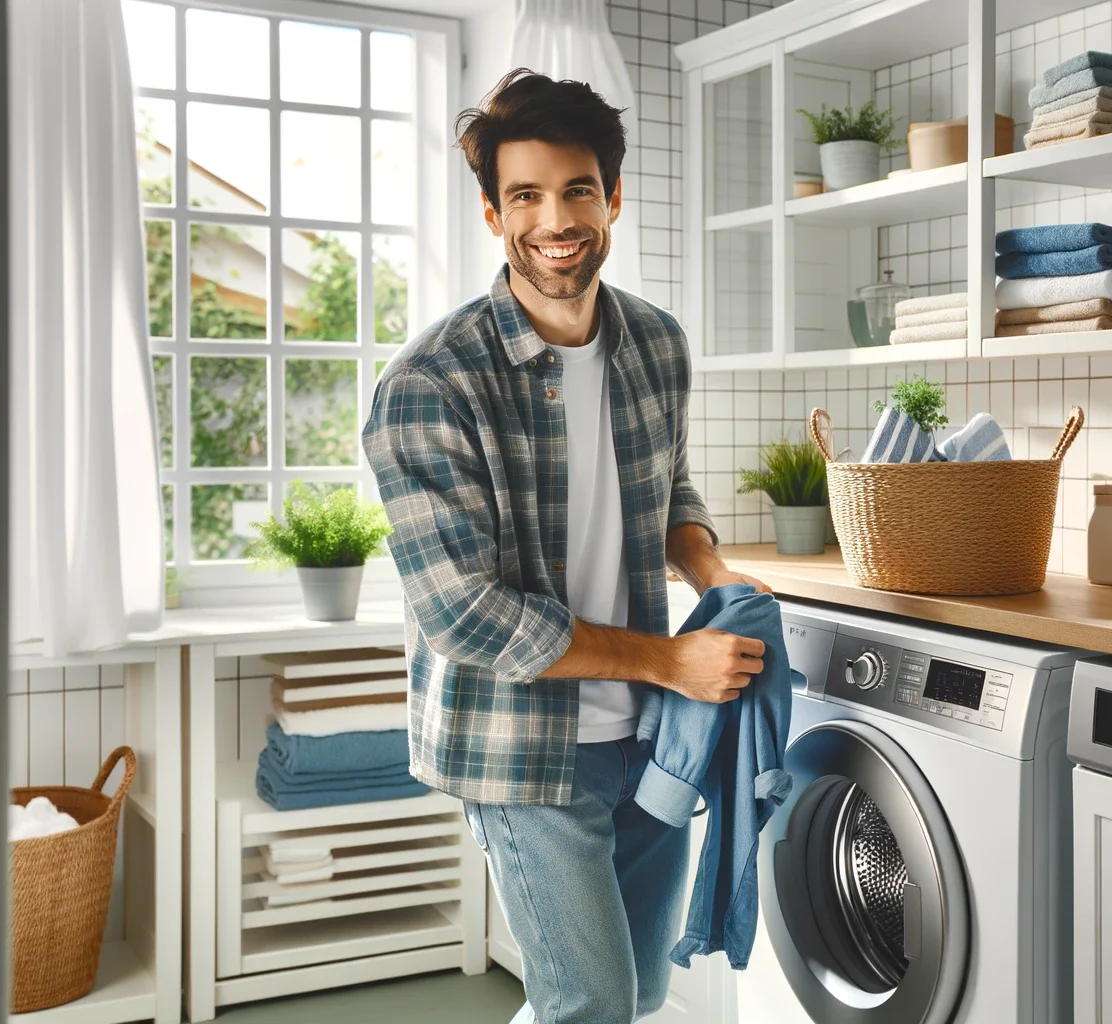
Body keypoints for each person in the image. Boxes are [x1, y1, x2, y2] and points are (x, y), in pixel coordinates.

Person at [362, 68, 770, 1024]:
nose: (557, 218)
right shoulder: (431, 381)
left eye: (578, 189)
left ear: (613, 196)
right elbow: (464, 612)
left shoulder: (657, 345)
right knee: (587, 1002)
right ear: (494, 213)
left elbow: (665, 486)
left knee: (633, 992)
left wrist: (709, 567)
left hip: (651, 735)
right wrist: (671, 659)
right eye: (527, 196)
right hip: (521, 750)